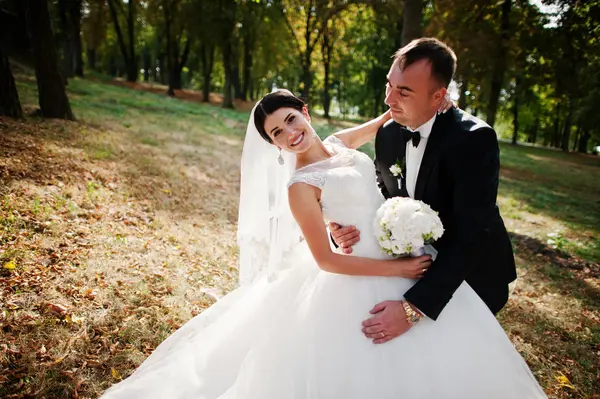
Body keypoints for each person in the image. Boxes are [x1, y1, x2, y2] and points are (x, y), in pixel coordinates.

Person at [100, 85, 546, 398]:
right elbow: (327, 262)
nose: (290, 133)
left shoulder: (338, 143)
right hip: (369, 272)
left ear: (305, 113)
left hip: (403, 248)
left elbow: (390, 117)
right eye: (278, 133)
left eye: (291, 120)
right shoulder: (301, 186)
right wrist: (398, 270)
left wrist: (441, 100)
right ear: (274, 145)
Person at [331, 38, 517, 345]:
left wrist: (412, 309)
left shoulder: (473, 140)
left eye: (404, 91)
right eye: (389, 85)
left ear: (438, 96)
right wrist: (343, 229)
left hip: (471, 276)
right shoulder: (388, 134)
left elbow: (472, 233)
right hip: (414, 267)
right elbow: (381, 193)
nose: (390, 99)